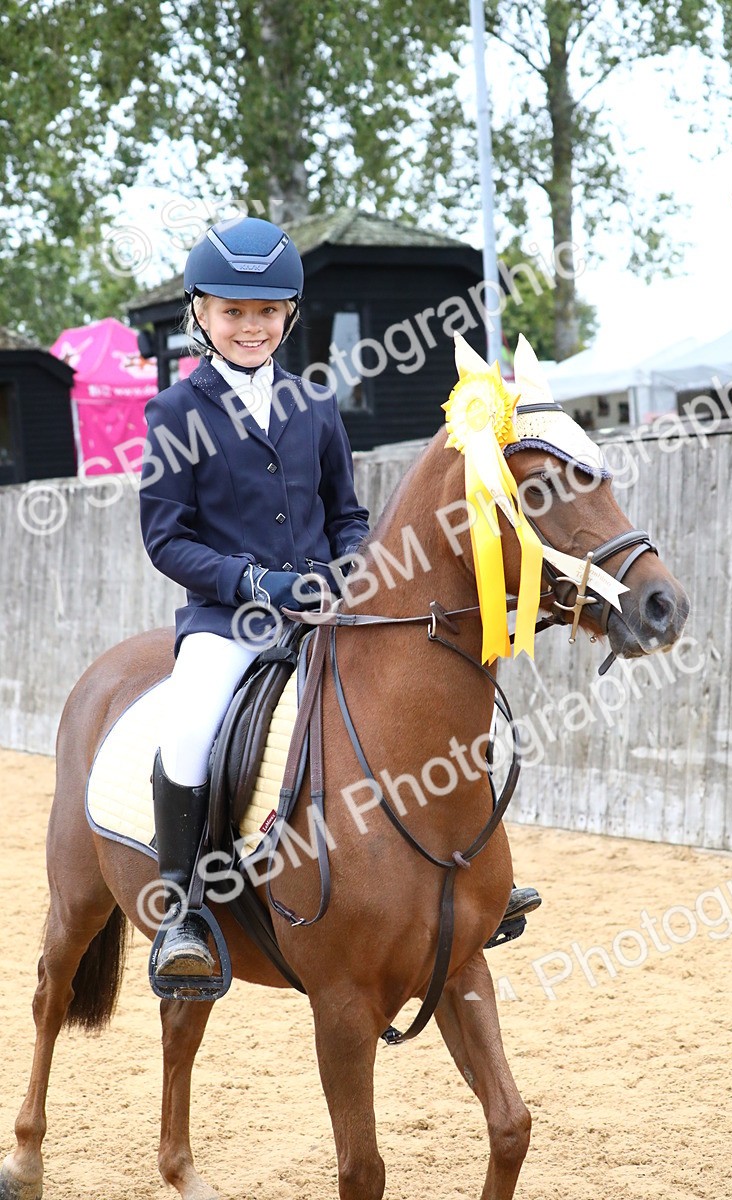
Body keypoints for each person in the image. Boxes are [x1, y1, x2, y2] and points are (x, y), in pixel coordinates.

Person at [139, 216, 539, 981]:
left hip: (330, 612)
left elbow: (347, 512)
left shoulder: (313, 404)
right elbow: (168, 539)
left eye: (265, 312)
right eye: (233, 312)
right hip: (229, 622)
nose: (250, 327)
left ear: (287, 316)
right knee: (190, 731)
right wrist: (256, 581)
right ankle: (183, 910)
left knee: (434, 701)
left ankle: (471, 876)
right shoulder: (174, 415)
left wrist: (355, 563)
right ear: (201, 315)